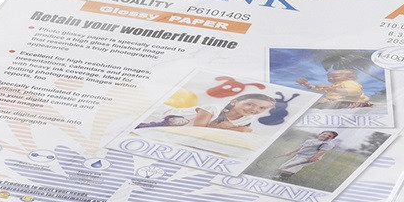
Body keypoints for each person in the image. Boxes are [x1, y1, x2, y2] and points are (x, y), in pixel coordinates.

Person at [138, 94, 277, 132]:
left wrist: (235, 128)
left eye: (261, 108)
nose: (254, 110)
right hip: (156, 112)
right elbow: (198, 130)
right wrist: (231, 128)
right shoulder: (212, 109)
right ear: (234, 101)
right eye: (250, 104)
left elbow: (245, 130)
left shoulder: (247, 119)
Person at [295, 68, 373, 109]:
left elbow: (355, 92)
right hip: (339, 101)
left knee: (325, 103)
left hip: (351, 102)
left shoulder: (349, 82)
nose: (330, 79)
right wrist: (308, 86)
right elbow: (321, 89)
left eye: (335, 76)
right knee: (320, 100)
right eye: (329, 77)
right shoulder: (335, 85)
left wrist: (332, 89)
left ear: (350, 77)